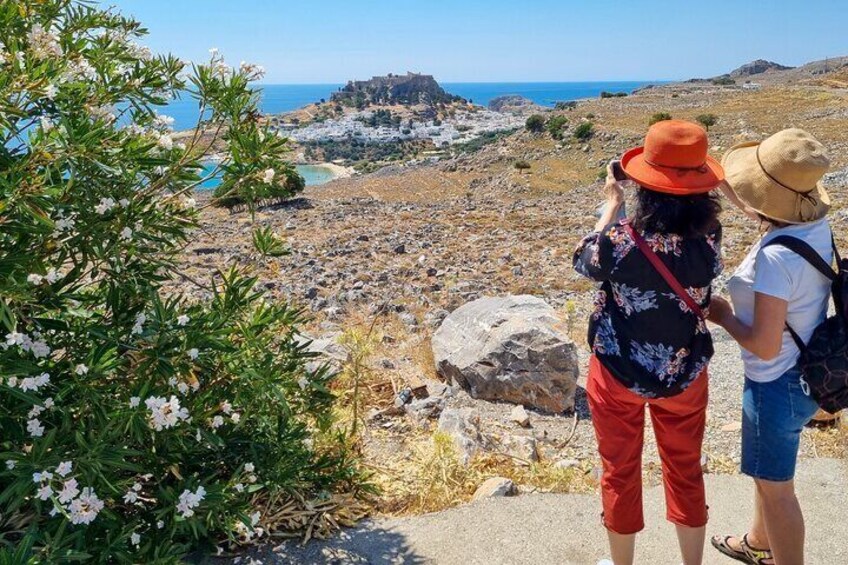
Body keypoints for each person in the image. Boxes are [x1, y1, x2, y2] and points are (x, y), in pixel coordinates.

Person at [573, 120, 724, 565]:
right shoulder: (710, 236)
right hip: (685, 373)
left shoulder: (619, 242)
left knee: (620, 472)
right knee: (685, 469)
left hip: (617, 373)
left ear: (645, 183)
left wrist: (612, 203)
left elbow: (584, 256)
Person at [708, 129, 832, 565]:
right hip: (808, 372)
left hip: (773, 381)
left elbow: (762, 344)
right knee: (767, 476)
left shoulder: (776, 260)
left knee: (778, 491)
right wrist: (722, 180)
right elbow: (762, 211)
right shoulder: (813, 225)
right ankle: (758, 542)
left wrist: (723, 315)